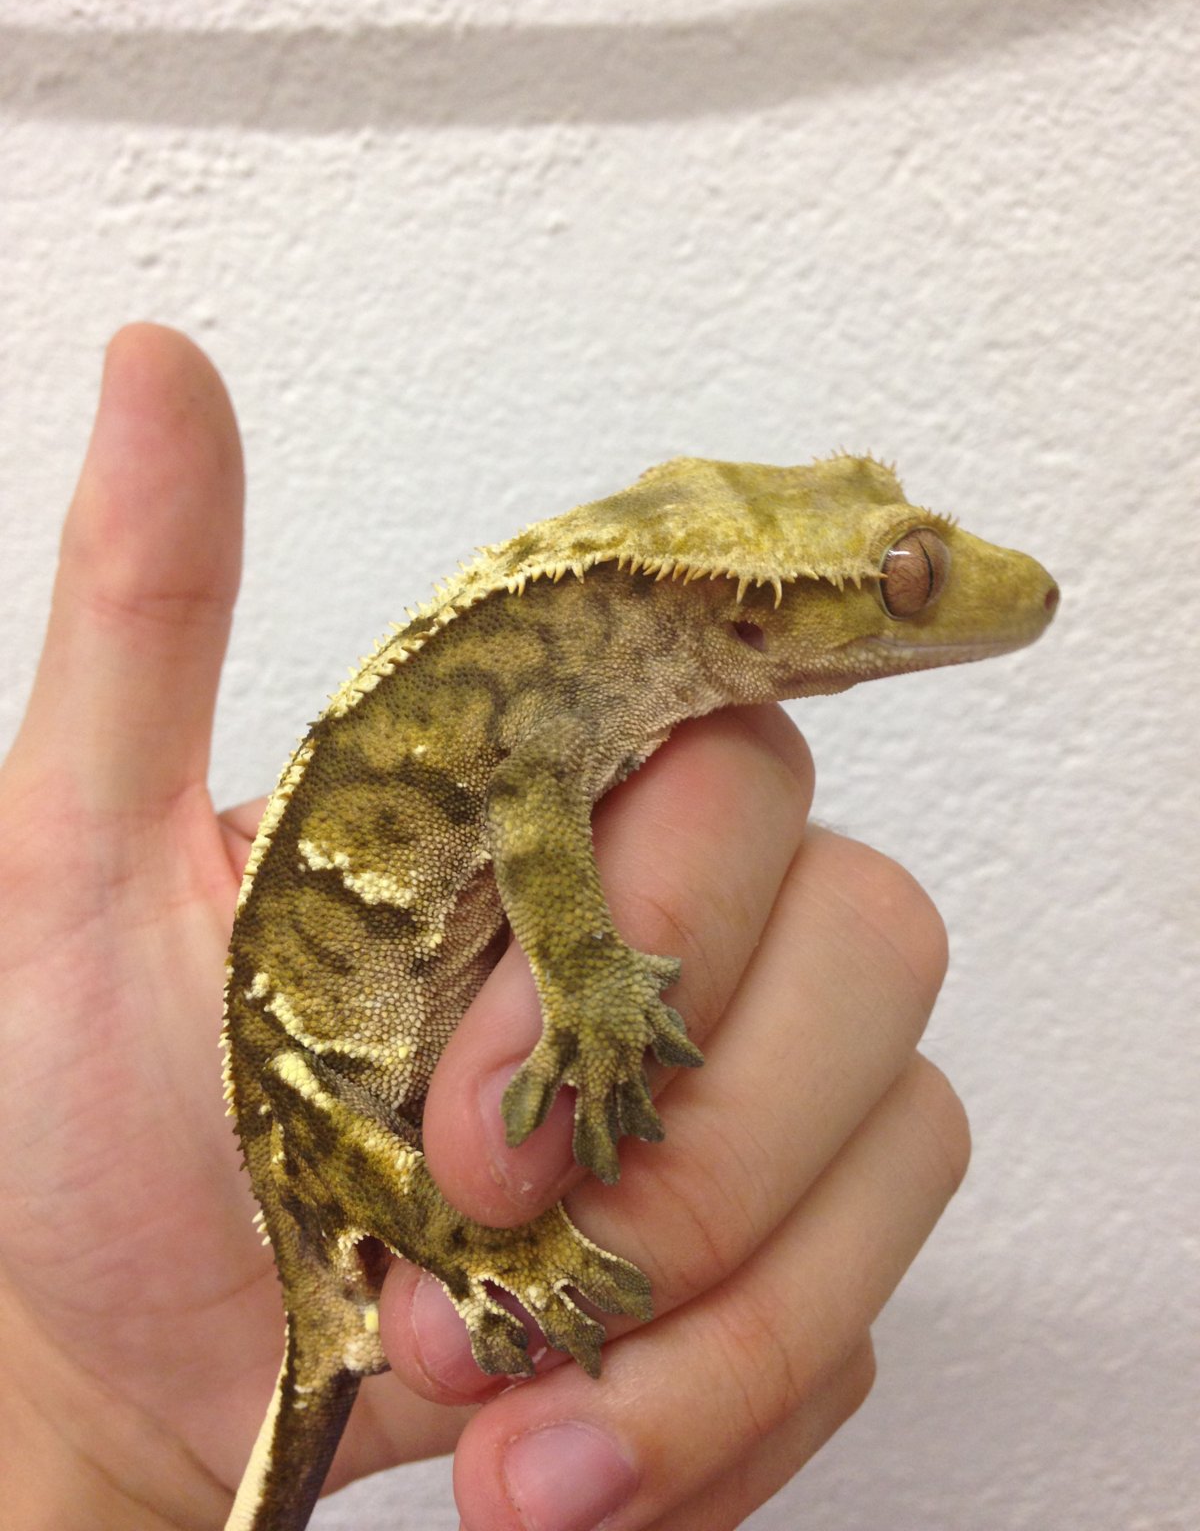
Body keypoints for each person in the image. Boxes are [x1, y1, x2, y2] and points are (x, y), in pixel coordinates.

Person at [0, 324, 968, 1531]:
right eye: (909, 578)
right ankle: (482, 1250)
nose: (979, 587)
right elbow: (526, 804)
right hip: (321, 1102)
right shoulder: (580, 672)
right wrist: (587, 982)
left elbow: (530, 806)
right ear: (755, 607)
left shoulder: (602, 668)